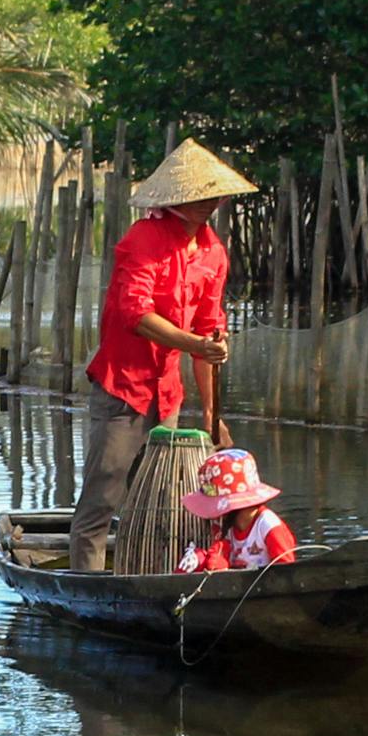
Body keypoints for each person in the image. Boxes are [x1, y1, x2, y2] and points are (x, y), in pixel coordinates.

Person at [71, 139, 257, 570]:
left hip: (166, 396)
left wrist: (212, 417)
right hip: (123, 389)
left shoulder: (213, 252)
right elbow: (136, 315)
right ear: (177, 199)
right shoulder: (144, 239)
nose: (209, 204)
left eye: (213, 196)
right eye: (199, 196)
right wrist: (195, 343)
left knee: (160, 503)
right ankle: (90, 587)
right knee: (104, 496)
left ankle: (150, 581)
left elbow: (210, 335)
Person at [178, 447, 297, 574]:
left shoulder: (268, 526)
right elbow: (218, 560)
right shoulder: (229, 529)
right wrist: (202, 560)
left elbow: (287, 572)